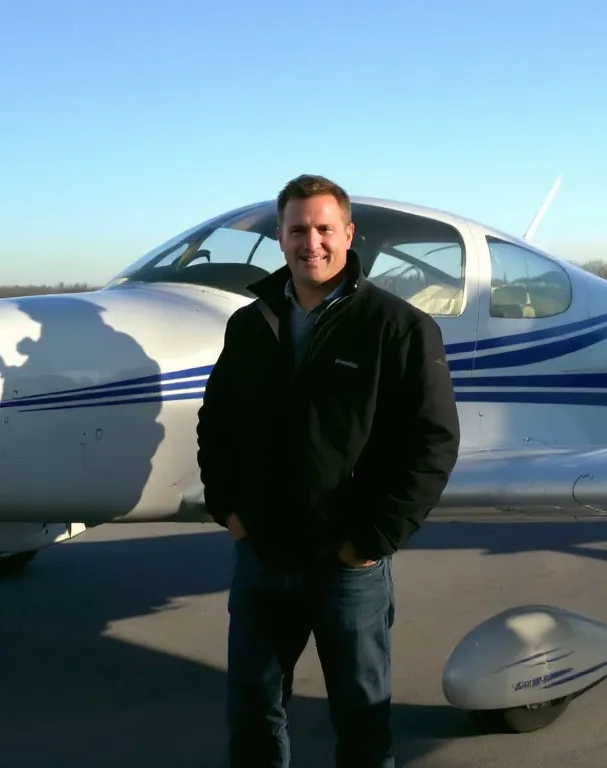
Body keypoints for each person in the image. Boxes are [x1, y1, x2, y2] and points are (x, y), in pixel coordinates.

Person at [196, 174, 461, 767]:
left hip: (348, 566)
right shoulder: (250, 326)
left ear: (348, 234)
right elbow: (215, 424)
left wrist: (371, 540)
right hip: (261, 556)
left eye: (322, 228)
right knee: (253, 710)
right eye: (296, 230)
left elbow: (433, 442)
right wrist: (231, 512)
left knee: (361, 716)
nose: (310, 242)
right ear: (280, 238)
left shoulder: (398, 327)